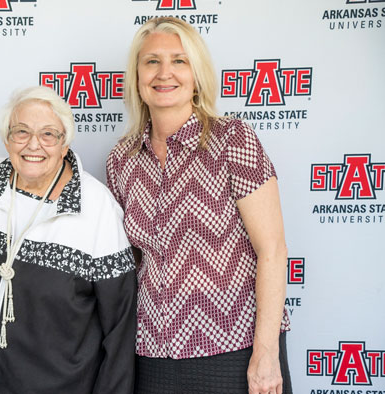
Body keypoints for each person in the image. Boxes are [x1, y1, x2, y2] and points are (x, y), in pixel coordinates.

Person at [106, 17, 292, 394]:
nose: (164, 73)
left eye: (179, 60)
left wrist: (266, 354)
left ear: (196, 75)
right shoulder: (121, 160)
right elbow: (131, 263)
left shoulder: (232, 140)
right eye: (152, 61)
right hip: (151, 354)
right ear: (137, 76)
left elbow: (271, 251)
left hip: (234, 349)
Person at [0, 86, 137, 394]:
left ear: (65, 144)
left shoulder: (96, 206)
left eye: (49, 134)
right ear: (7, 139)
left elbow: (120, 323)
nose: (33, 145)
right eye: (21, 132)